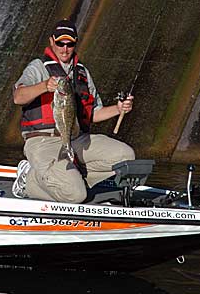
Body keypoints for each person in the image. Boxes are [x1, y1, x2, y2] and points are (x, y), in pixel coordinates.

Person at [12, 19, 135, 203]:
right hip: (42, 141)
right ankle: (29, 180)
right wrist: (44, 86)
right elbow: (18, 97)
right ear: (52, 41)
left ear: (75, 43)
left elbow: (93, 113)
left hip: (74, 138)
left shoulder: (82, 72)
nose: (65, 48)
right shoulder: (38, 67)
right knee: (75, 196)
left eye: (70, 44)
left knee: (126, 157)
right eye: (60, 43)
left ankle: (70, 178)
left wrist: (118, 109)